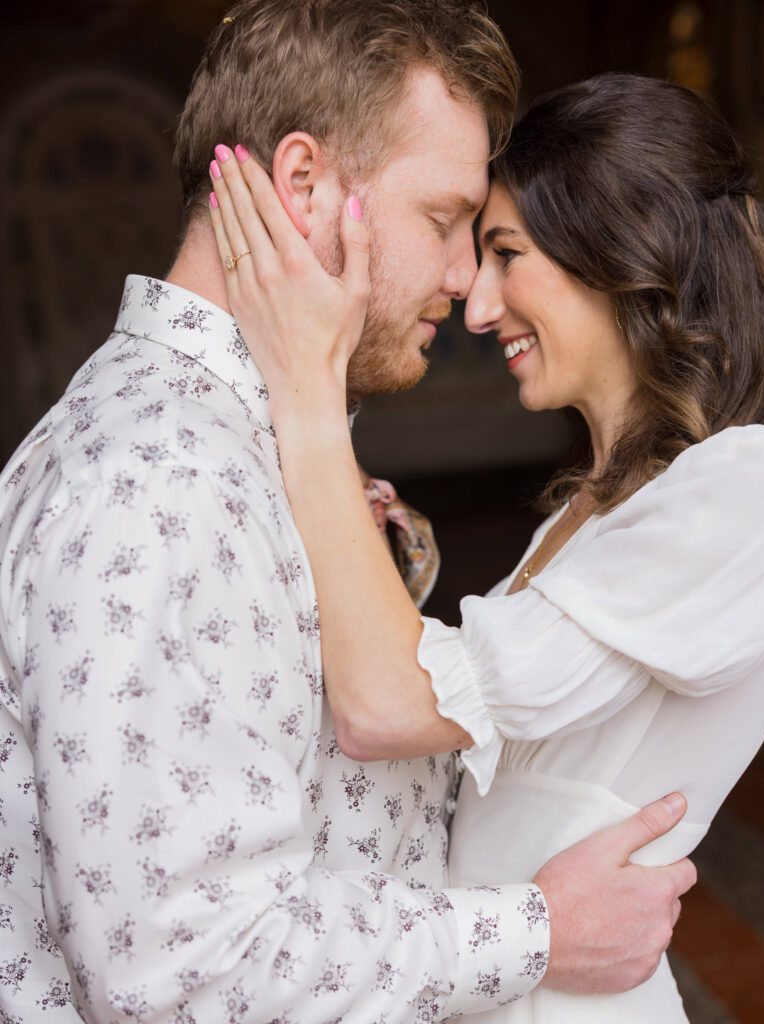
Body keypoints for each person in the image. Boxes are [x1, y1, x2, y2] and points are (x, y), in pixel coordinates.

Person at [0, 7, 695, 1023]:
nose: (467, 281)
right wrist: (542, 927)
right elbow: (180, 974)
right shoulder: (156, 483)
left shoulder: (247, 445)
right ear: (303, 185)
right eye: (443, 219)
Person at [206, 71, 764, 1022]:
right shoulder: (590, 506)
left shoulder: (756, 485)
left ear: (617, 243)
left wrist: (307, 385)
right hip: (497, 972)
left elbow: (386, 709)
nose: (478, 305)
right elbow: (461, 751)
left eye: (504, 253)